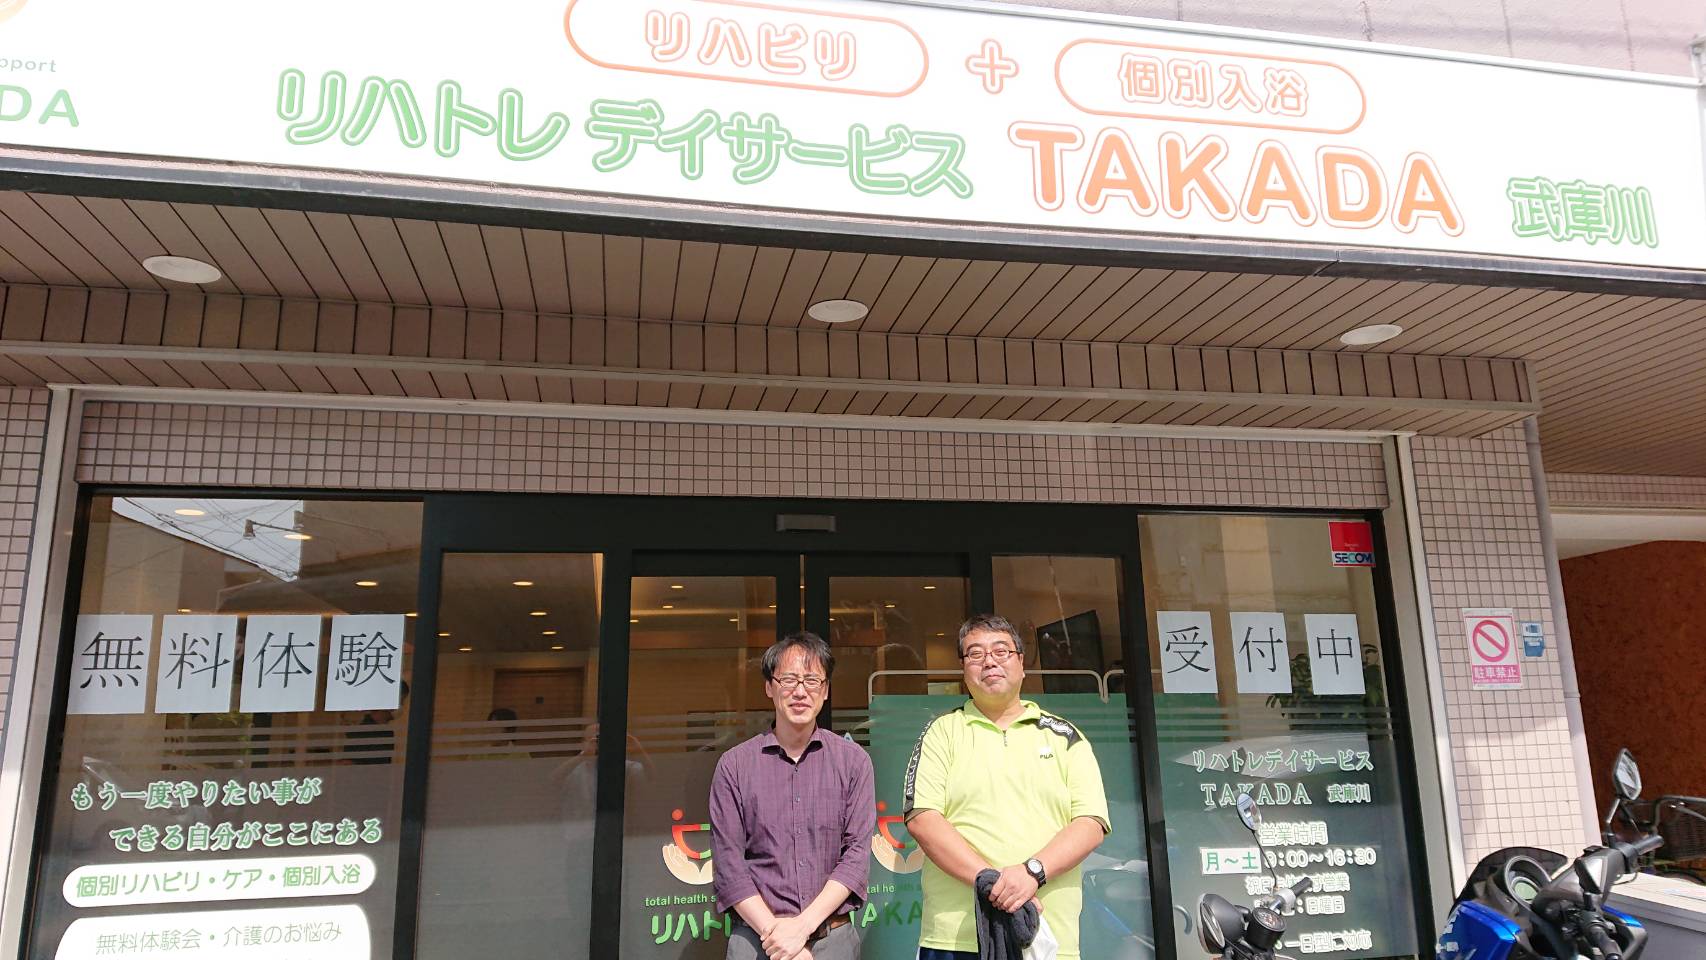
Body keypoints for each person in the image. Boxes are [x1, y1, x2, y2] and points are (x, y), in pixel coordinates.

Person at [904, 614, 1109, 960]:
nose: (989, 661)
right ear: (963, 668)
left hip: (1046, 937)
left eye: (1001, 651)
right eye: (975, 653)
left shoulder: (1065, 737)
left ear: (1021, 663)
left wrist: (1032, 873)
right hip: (957, 939)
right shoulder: (941, 733)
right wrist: (993, 882)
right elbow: (923, 819)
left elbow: (1091, 823)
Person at [710, 632, 875, 960]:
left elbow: (856, 858)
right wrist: (779, 938)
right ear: (769, 687)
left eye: (812, 680)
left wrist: (801, 929)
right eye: (788, 679)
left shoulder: (853, 762)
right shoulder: (734, 766)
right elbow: (729, 866)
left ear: (825, 691)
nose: (800, 691)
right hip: (757, 941)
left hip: (833, 941)